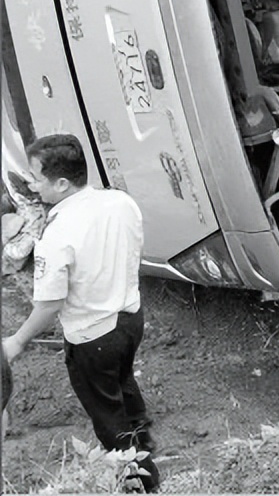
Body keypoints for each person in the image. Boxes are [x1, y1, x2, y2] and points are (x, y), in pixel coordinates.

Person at [1, 135, 159, 492]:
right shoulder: (120, 202)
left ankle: (139, 479)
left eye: (36, 178)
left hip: (92, 337)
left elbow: (50, 304)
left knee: (106, 414)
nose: (31, 184)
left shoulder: (57, 235)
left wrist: (17, 341)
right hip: (131, 319)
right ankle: (143, 441)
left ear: (60, 183)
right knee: (123, 382)